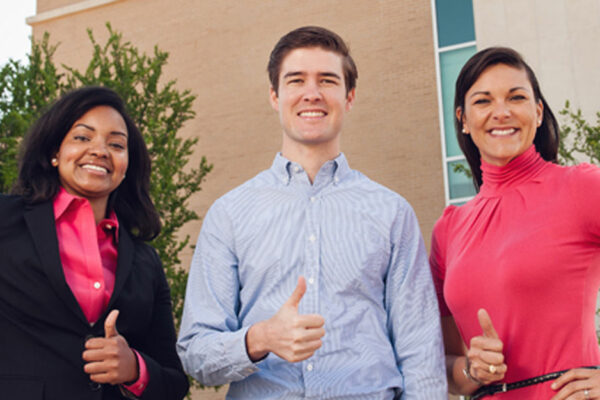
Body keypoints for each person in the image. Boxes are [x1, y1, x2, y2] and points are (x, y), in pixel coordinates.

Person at [177, 26, 446, 399]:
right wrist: (261, 338)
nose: (312, 93)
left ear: (349, 97)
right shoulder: (229, 214)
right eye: (296, 80)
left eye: (328, 80)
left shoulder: (391, 212)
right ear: (275, 95)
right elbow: (195, 352)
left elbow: (421, 355)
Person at [430, 46, 600, 399]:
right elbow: (448, 369)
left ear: (537, 112)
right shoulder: (449, 230)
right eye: (483, 101)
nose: (501, 112)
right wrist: (473, 370)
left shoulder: (582, 188)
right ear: (462, 118)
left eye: (516, 97)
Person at [0, 86, 189, 399]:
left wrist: (135, 370)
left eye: (116, 144)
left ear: (127, 166)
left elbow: (174, 383)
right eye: (82, 137)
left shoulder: (145, 262)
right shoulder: (6, 220)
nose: (100, 150)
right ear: (55, 153)